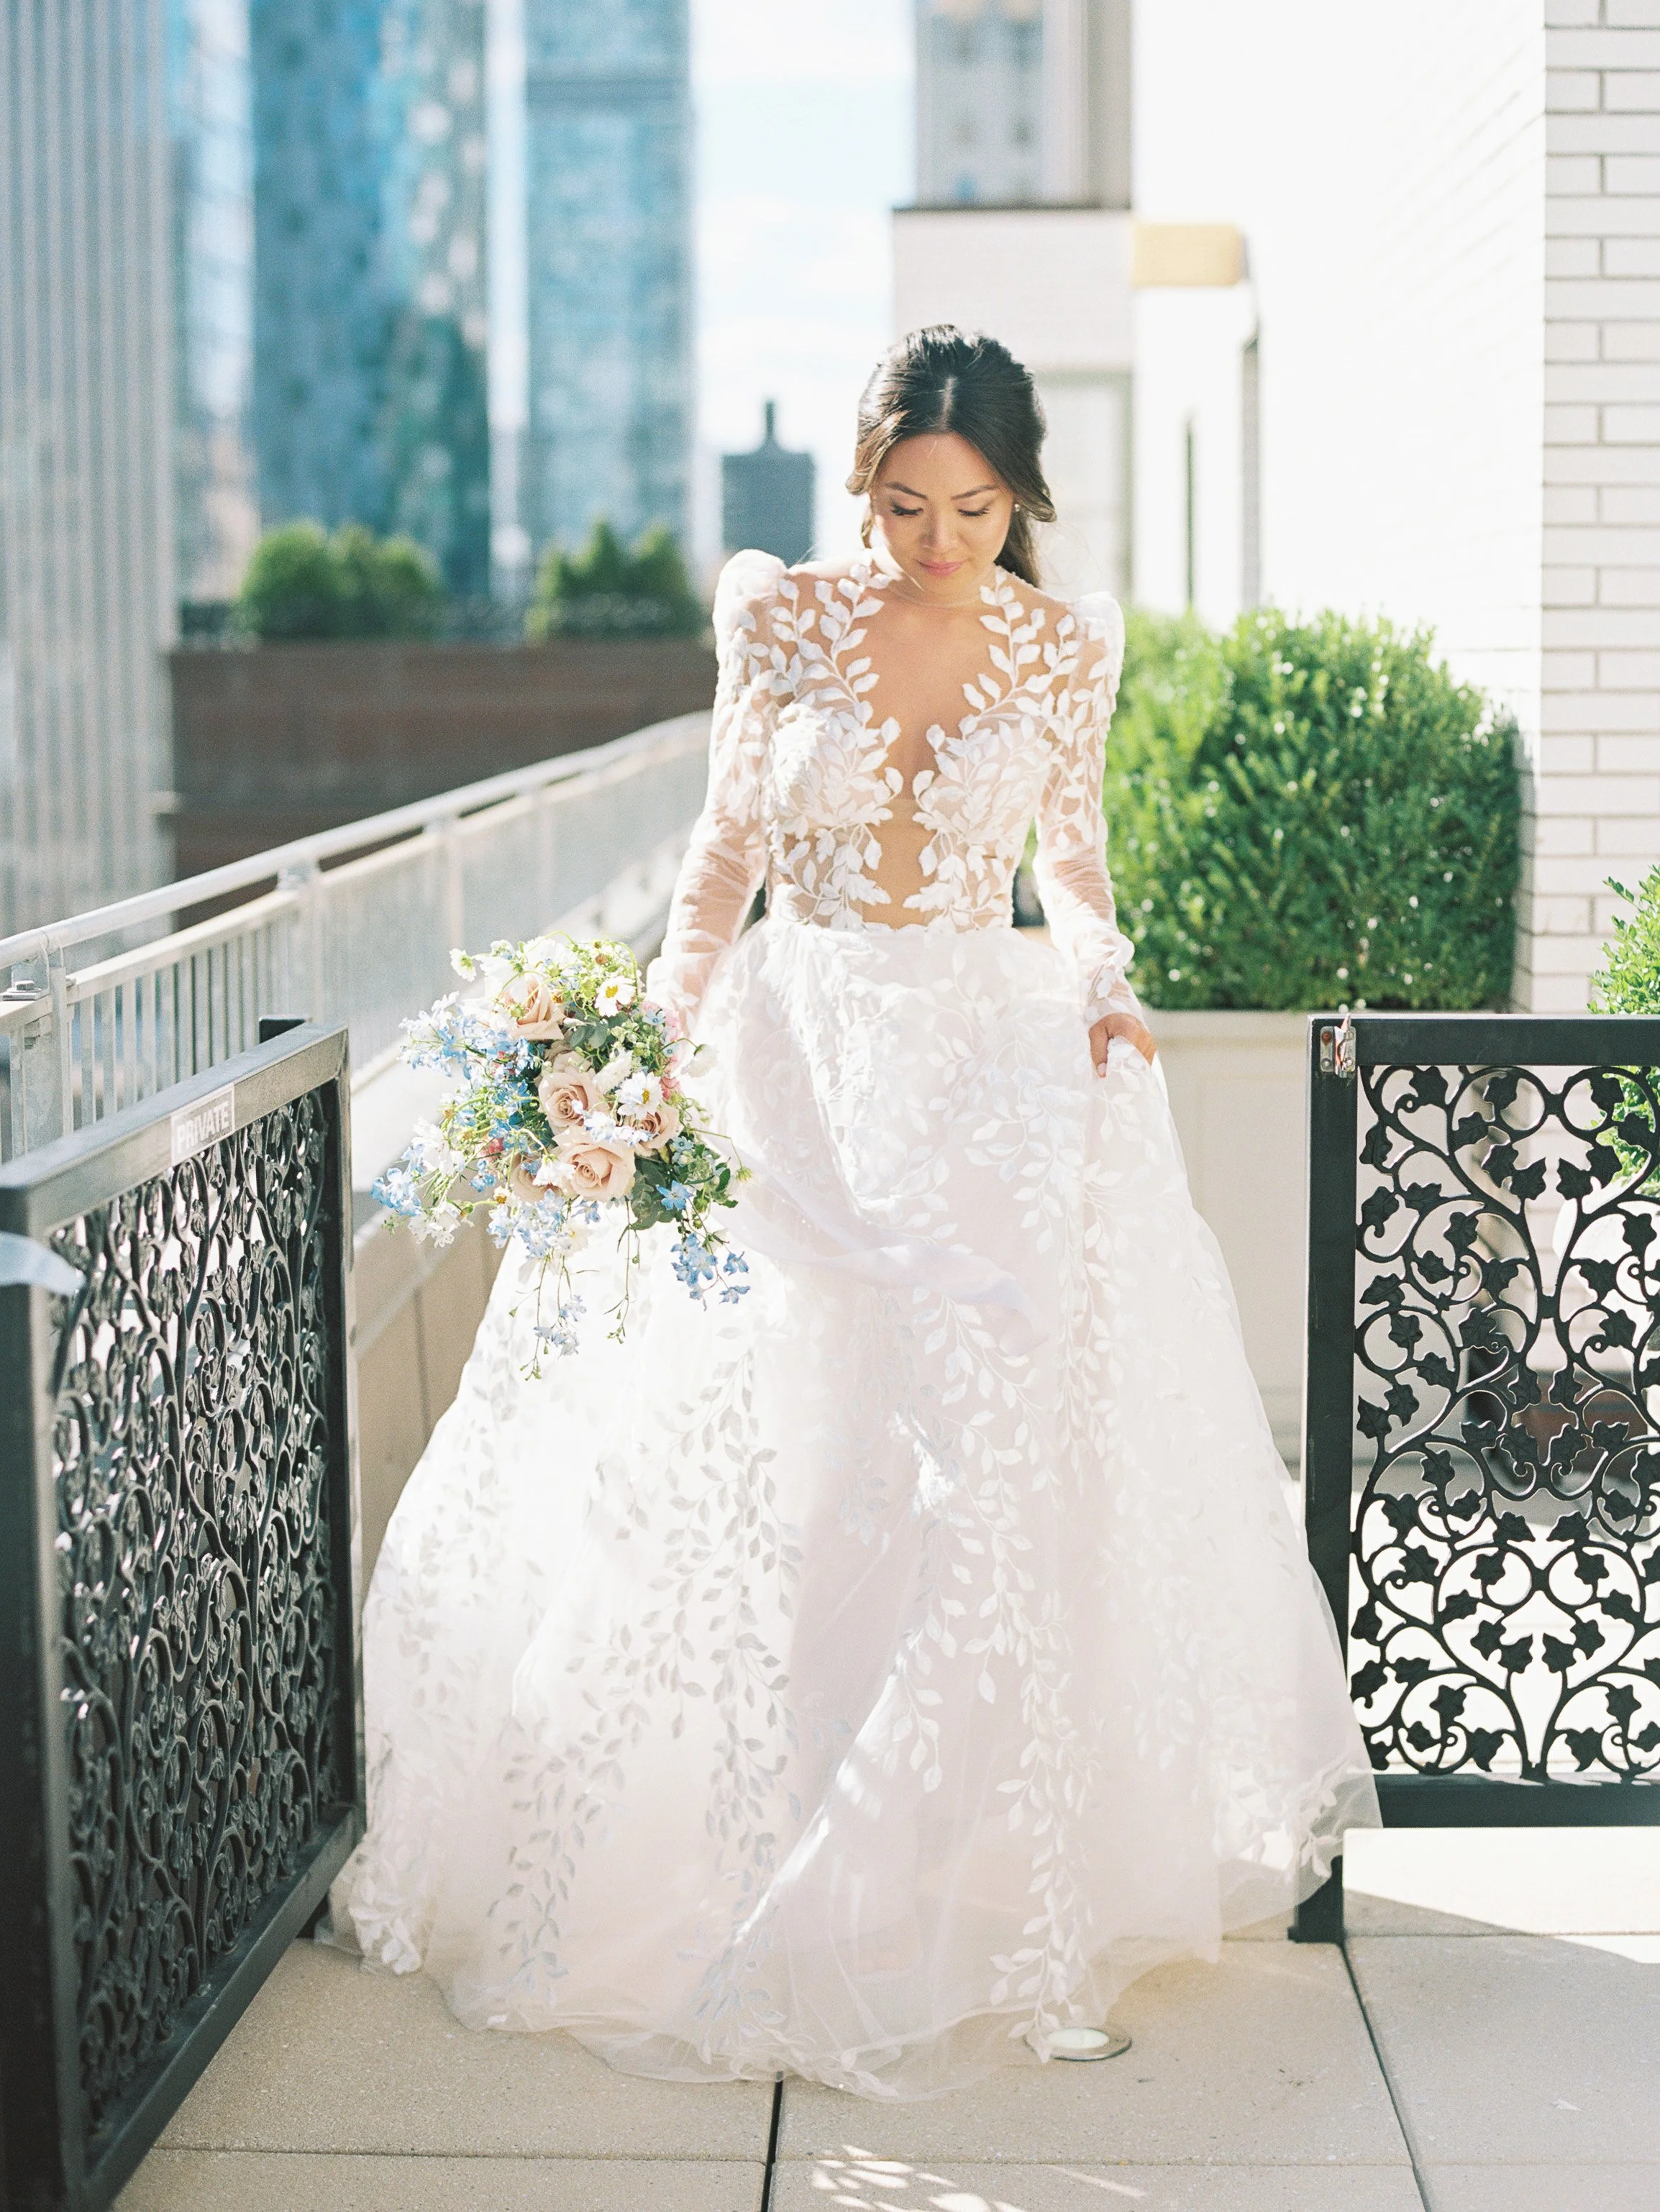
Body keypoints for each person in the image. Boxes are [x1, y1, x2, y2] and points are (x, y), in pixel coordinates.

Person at [332, 325, 1379, 2100]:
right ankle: (757, 1862)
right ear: (862, 486)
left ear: (1021, 497)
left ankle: (1021, 1926)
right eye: (905, 502)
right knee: (776, 1471)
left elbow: (1075, 865)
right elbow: (724, 853)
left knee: (986, 1485)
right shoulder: (782, 615)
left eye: (974, 506)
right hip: (791, 1067)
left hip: (984, 1081)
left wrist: (1108, 981)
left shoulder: (1063, 645)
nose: (937, 537)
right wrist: (653, 1049)